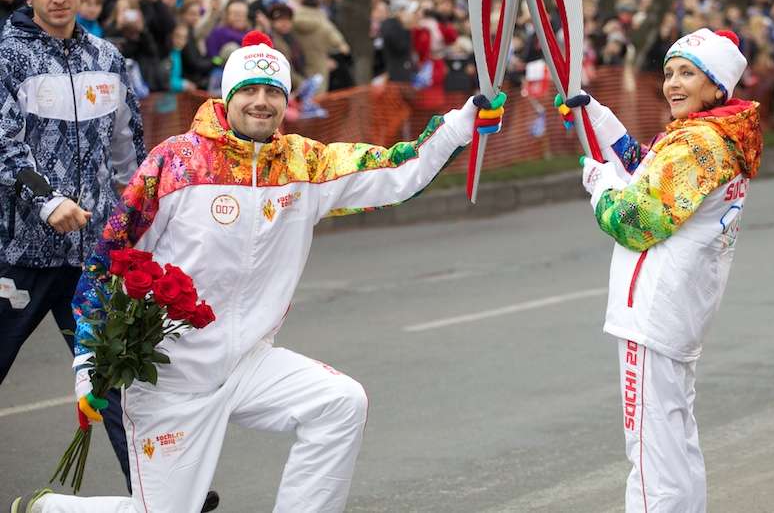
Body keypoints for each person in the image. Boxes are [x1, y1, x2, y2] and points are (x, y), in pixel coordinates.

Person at [14, 30, 505, 513]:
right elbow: (109, 259)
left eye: (272, 92)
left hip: (248, 361)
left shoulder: (304, 164)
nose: (261, 102)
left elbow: (399, 170)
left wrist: (462, 124)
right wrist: (88, 369)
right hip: (170, 375)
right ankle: (54, 509)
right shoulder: (177, 163)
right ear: (228, 95)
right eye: (249, 90)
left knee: (340, 403)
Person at [571, 28, 762, 513]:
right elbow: (646, 169)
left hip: (653, 315)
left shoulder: (698, 146)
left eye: (688, 74)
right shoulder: (712, 138)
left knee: (650, 456)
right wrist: (596, 116)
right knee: (674, 443)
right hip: (676, 313)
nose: (673, 83)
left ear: (717, 87)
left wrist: (600, 185)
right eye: (669, 73)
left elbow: (636, 219)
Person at [0, 0, 145, 495]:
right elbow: (5, 143)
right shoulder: (8, 56)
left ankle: (158, 490)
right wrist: (48, 200)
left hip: (92, 259)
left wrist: (135, 221)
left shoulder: (107, 58)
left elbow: (128, 151)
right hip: (20, 254)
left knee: (113, 380)